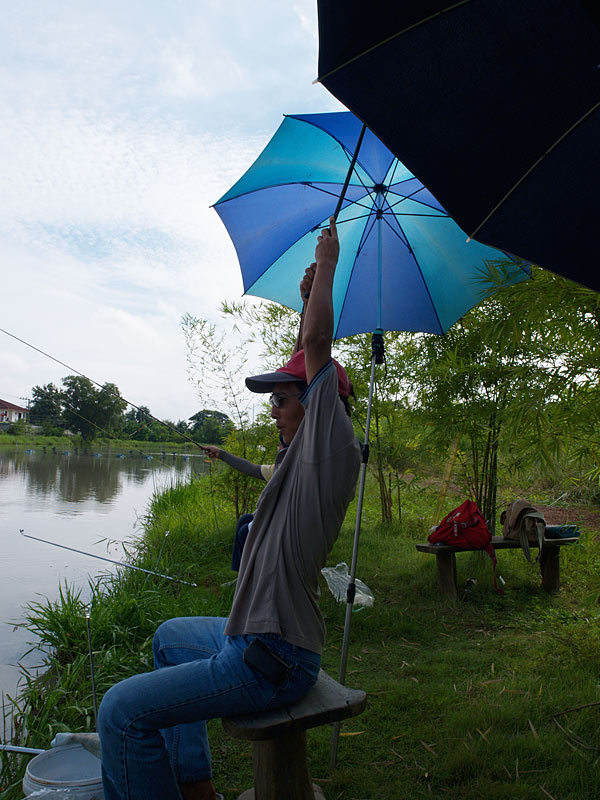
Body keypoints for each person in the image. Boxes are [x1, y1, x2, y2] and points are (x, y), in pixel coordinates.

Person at [97, 217, 361, 800]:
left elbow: (318, 351)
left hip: (273, 657)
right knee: (170, 636)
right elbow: (306, 355)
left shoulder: (330, 448)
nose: (273, 410)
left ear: (319, 408)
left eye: (282, 400)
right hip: (252, 638)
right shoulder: (299, 458)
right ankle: (198, 789)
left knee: (121, 712)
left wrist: (329, 263)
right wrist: (304, 300)